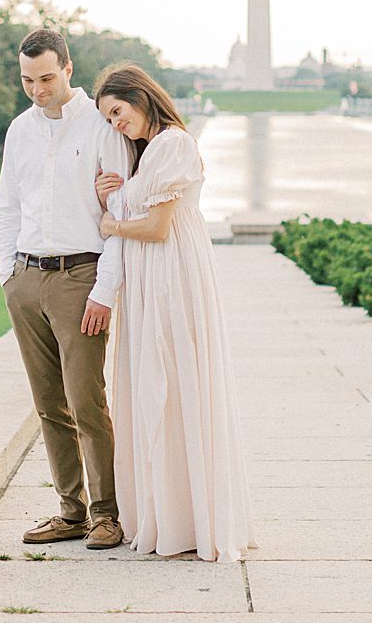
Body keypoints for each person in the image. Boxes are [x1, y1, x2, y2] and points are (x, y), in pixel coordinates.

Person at [93, 64, 255, 563]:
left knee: (170, 382)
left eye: (118, 112)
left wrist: (110, 225)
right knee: (159, 390)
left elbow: (159, 228)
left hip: (169, 279)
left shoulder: (172, 145)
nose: (117, 124)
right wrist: (113, 196)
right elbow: (144, 211)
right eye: (109, 119)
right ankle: (174, 511)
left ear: (141, 98)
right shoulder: (153, 153)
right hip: (154, 280)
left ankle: (187, 517)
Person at [0, 29, 131, 549]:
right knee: (49, 403)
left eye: (47, 77)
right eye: (28, 80)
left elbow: (119, 212)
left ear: (68, 69)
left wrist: (104, 289)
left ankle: (105, 513)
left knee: (86, 400)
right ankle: (70, 511)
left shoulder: (100, 125)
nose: (37, 88)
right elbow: (6, 206)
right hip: (27, 278)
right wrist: (9, 274)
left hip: (81, 277)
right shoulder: (18, 130)